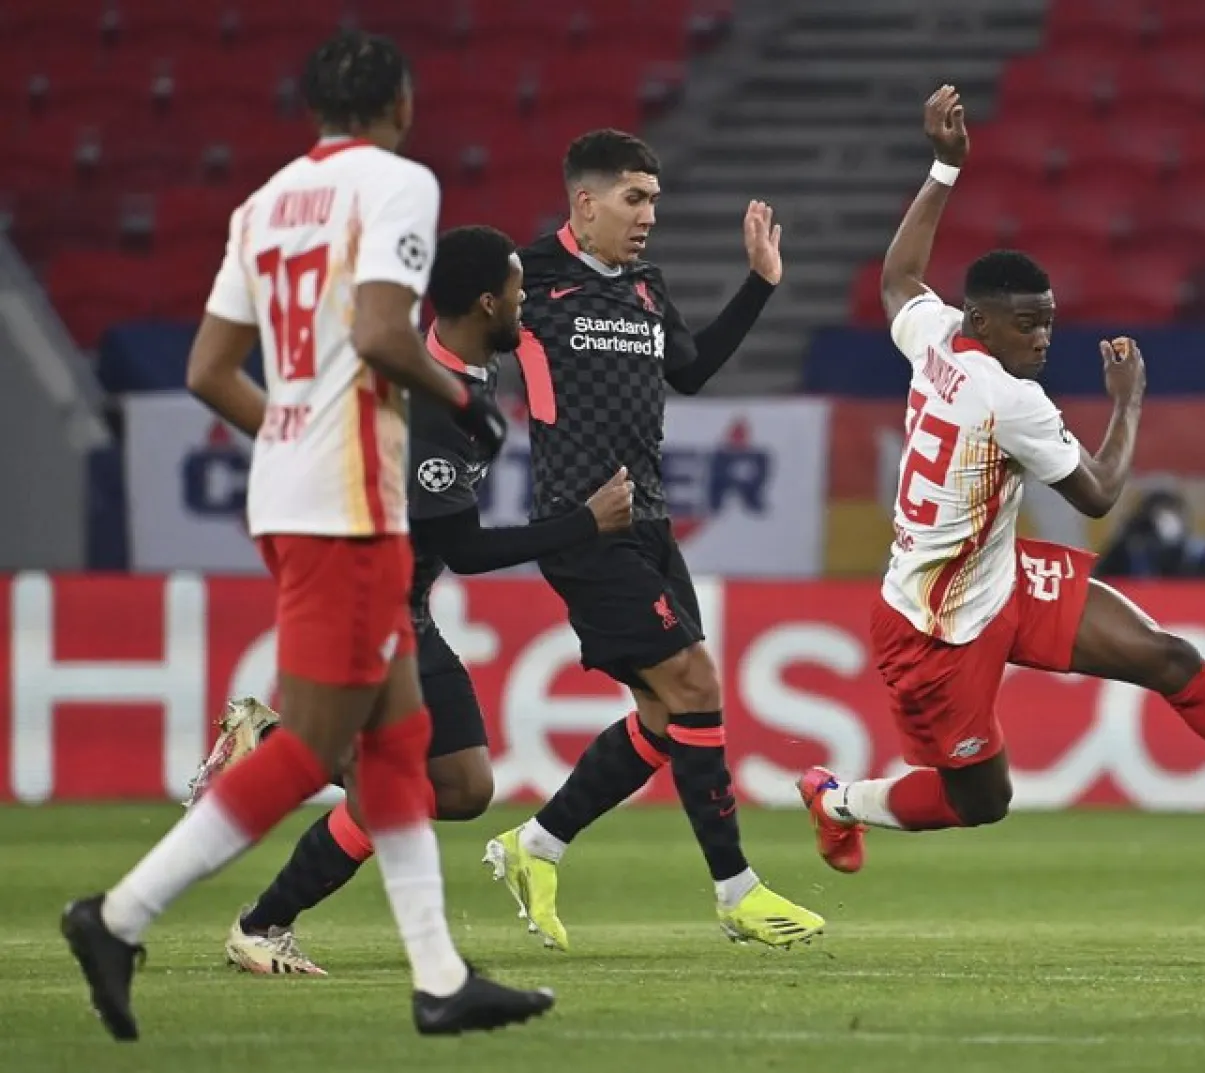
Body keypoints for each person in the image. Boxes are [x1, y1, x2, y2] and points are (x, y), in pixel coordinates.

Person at [59, 32, 554, 1040]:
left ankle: (440, 976)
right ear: (399, 101)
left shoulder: (264, 202)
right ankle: (116, 916)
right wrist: (462, 393)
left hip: (291, 490)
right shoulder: (399, 184)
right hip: (349, 506)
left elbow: (208, 368)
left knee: (403, 746)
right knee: (317, 749)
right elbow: (381, 331)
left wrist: (292, 429)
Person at [794, 85, 1205, 875]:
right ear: (984, 322)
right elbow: (1098, 492)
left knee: (1169, 657)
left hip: (998, 575)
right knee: (981, 800)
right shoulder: (1008, 398)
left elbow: (896, 282)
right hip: (935, 630)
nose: (1043, 336)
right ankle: (837, 800)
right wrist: (1130, 403)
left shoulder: (939, 337)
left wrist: (944, 171)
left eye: (1049, 319)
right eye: (1028, 323)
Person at [192, 225, 634, 976]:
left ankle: (271, 750)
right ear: (488, 301)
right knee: (403, 783)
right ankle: (262, 922)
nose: (526, 304)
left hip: (403, 606)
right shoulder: (433, 401)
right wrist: (582, 524)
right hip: (365, 607)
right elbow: (465, 546)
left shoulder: (463, 368)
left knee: (462, 785)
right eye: (519, 290)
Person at [483, 129, 824, 950]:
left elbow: (693, 369)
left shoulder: (642, 285)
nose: (648, 217)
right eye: (634, 200)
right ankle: (737, 891)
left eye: (655, 202)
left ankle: (536, 845)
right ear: (585, 203)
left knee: (669, 717)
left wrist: (760, 285)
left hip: (652, 526)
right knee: (696, 682)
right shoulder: (527, 282)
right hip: (582, 526)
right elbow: (449, 349)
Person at [1095, 488, 1205, 579]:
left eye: (1170, 511)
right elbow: (1101, 579)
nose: (1165, 523)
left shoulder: (1204, 555)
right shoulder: (1128, 552)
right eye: (1157, 514)